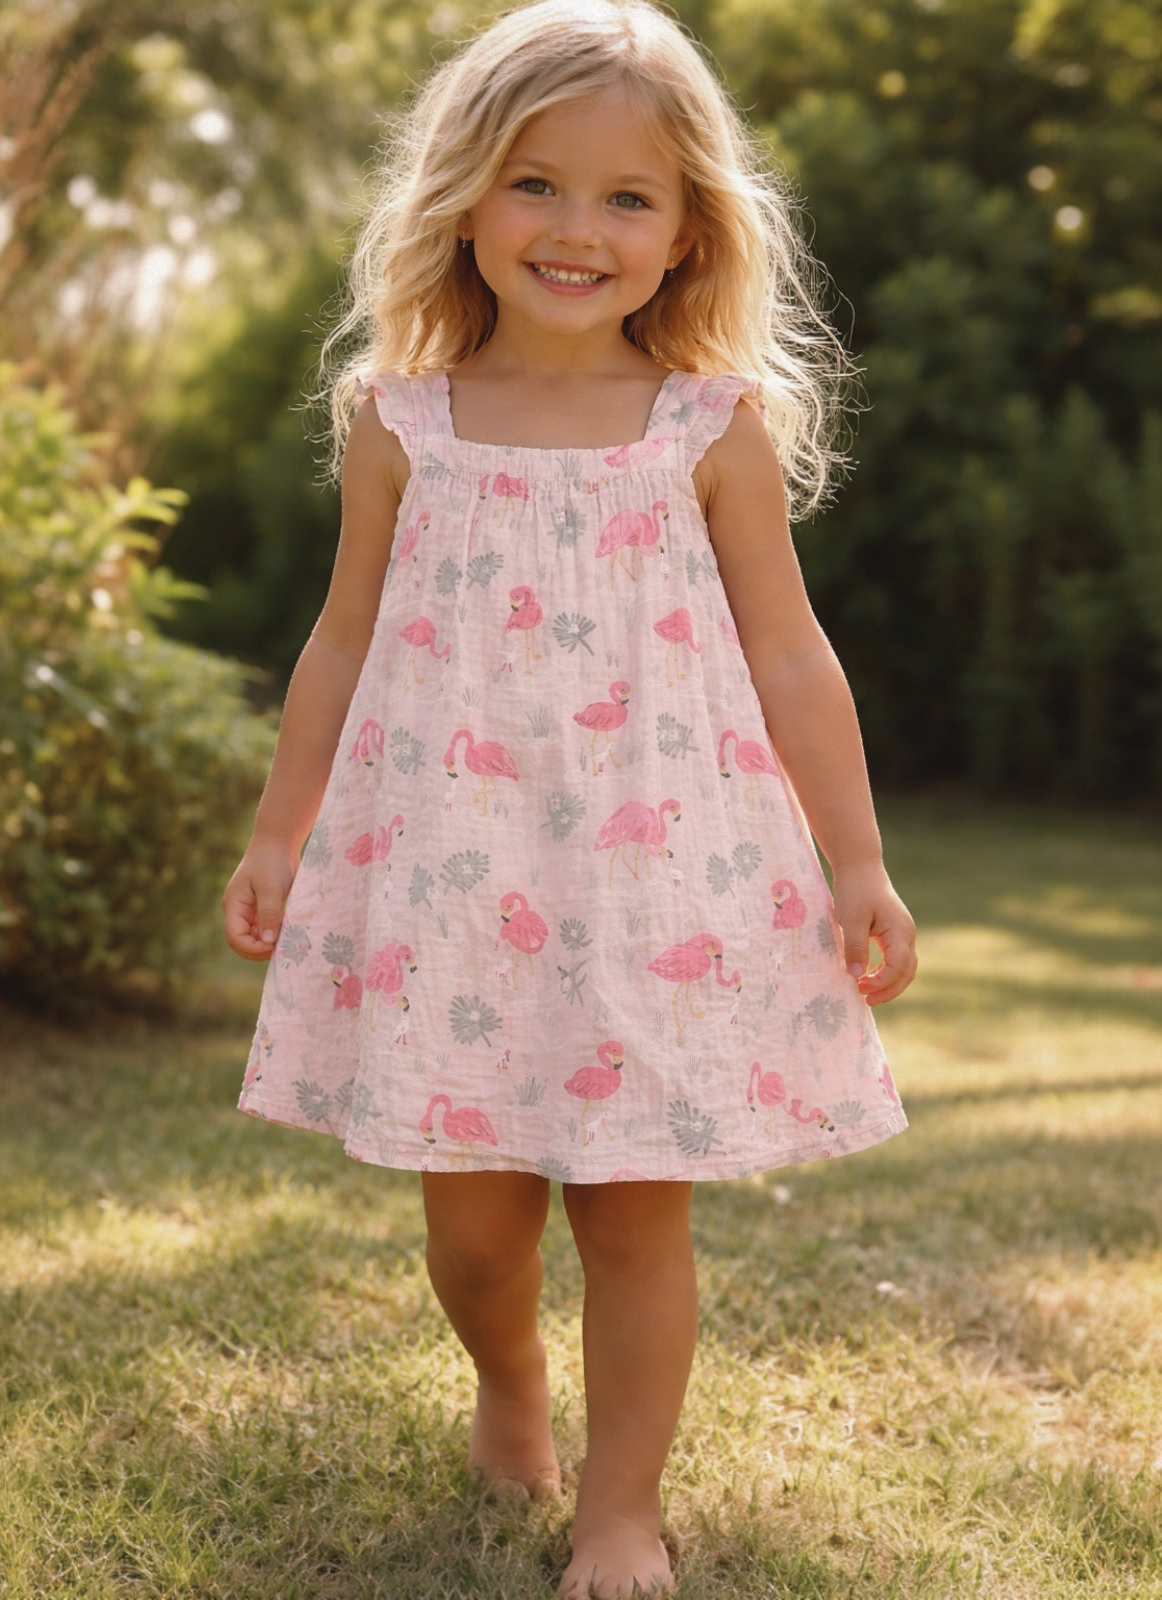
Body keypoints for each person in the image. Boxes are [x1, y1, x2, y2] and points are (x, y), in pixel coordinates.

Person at [222, 1, 917, 1593]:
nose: (576, 228)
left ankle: (621, 1507)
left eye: (628, 198)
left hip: (647, 882)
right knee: (475, 1230)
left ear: (685, 235)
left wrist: (857, 859)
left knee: (627, 1215)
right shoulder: (402, 423)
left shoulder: (709, 427)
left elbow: (793, 655)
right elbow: (339, 642)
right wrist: (281, 834)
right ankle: (510, 1379)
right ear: (467, 197)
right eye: (538, 184)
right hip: (453, 876)